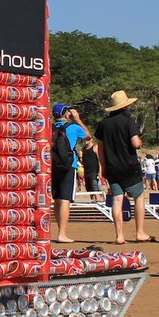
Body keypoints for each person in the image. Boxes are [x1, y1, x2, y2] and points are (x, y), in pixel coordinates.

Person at [94, 90, 153, 244]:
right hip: (129, 167)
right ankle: (140, 232)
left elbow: (100, 148)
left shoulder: (104, 124)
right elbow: (136, 143)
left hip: (112, 168)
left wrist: (103, 167)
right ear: (125, 106)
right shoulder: (129, 121)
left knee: (117, 200)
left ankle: (119, 235)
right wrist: (139, 142)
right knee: (139, 197)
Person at [50, 103, 89, 243]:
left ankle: (59, 230)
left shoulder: (49, 128)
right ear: (66, 114)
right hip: (68, 165)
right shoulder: (73, 127)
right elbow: (88, 137)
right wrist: (77, 119)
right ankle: (62, 234)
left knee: (57, 199)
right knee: (66, 198)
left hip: (52, 166)